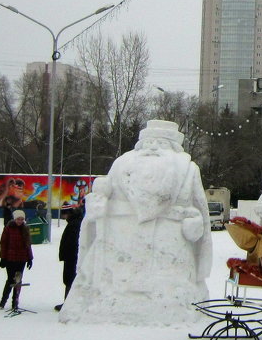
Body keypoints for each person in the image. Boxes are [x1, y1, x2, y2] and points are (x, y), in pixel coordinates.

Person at [60, 120, 212, 325]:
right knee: (118, 283)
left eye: (161, 143)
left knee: (167, 288)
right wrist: (97, 207)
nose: (154, 148)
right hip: (121, 239)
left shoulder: (188, 169)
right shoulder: (121, 165)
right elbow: (101, 198)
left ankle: (171, 309)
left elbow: (200, 208)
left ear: (174, 147)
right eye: (149, 142)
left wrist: (195, 223)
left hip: (169, 243)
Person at [0, 209, 33, 310]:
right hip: (10, 259)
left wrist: (30, 258)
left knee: (18, 281)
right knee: (10, 280)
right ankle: (3, 301)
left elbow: (28, 245)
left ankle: (15, 302)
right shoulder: (8, 228)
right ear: (14, 219)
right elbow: (3, 243)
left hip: (21, 259)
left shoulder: (25, 229)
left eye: (22, 219)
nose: (20, 221)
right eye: (18, 219)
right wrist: (3, 258)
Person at [55, 205, 83, 311]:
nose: (63, 217)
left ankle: (68, 304)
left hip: (72, 257)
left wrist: (67, 254)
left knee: (70, 279)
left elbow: (72, 242)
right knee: (69, 279)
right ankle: (68, 302)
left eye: (64, 214)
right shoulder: (74, 222)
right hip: (71, 256)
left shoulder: (74, 224)